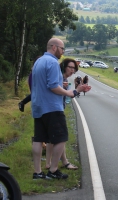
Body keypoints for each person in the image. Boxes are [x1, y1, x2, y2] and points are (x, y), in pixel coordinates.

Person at [31, 38, 90, 180]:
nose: (63, 52)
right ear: (54, 47)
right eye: (62, 49)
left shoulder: (38, 61)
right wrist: (70, 92)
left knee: (38, 139)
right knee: (61, 138)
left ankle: (38, 172)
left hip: (38, 106)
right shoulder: (52, 62)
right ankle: (53, 170)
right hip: (51, 107)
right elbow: (52, 86)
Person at [45, 58, 80, 171]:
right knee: (58, 137)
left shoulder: (64, 79)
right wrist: (77, 90)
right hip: (53, 109)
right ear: (64, 66)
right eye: (70, 67)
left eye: (74, 69)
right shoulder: (59, 77)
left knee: (57, 138)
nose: (72, 70)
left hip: (56, 108)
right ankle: (51, 165)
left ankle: (60, 162)